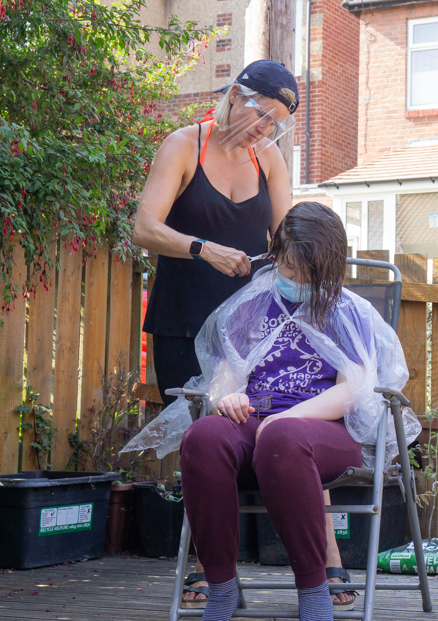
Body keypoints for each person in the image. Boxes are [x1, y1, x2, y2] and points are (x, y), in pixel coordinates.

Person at [131, 60, 354, 610]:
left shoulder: (269, 159)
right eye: (261, 115)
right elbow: (144, 228)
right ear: (236, 95)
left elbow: (290, 239)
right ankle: (213, 573)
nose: (264, 130)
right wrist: (203, 248)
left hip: (256, 326)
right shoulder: (184, 145)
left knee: (290, 415)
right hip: (186, 319)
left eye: (275, 124)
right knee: (208, 438)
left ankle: (327, 564)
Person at [177, 202, 416, 621]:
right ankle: (221, 588)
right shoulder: (249, 307)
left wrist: (290, 418)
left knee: (282, 436)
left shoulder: (349, 312)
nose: (296, 283)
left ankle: (313, 590)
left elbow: (352, 392)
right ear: (274, 254)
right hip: (255, 422)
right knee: (203, 436)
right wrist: (226, 397)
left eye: (307, 277)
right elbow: (227, 378)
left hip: (324, 433)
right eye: (288, 272)